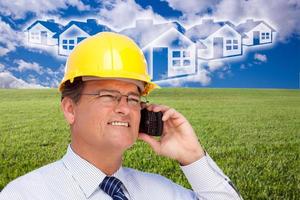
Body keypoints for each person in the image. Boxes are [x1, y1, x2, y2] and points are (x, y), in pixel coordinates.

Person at [0, 32, 242, 200]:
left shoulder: (159, 191)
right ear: (70, 109)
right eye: (107, 96)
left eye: (134, 98)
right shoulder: (24, 194)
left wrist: (193, 157)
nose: (125, 108)